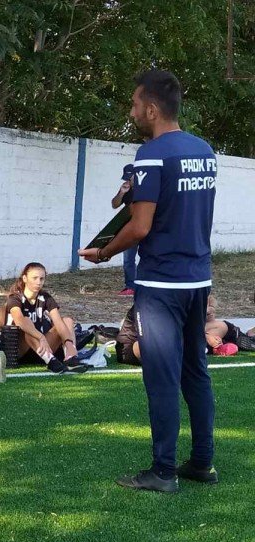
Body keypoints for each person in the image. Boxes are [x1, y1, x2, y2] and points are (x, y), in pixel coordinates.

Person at [79, 69, 218, 492]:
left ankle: (163, 471)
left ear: (152, 109)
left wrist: (103, 253)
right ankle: (202, 463)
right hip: (198, 280)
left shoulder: (151, 154)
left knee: (161, 377)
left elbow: (140, 227)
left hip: (161, 285)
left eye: (135, 104)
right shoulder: (204, 151)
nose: (132, 111)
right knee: (195, 371)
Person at [0, 262, 88, 374]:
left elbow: (58, 322)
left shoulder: (45, 297)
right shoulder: (15, 298)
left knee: (67, 320)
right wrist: (41, 337)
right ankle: (51, 362)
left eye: (41, 279)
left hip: (42, 347)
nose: (38, 282)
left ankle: (70, 357)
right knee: (27, 322)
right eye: (34, 278)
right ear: (25, 278)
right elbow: (20, 321)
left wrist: (69, 342)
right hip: (18, 351)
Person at [112, 164, 137, 296]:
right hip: (129, 228)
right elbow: (114, 204)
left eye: (130, 177)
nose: (128, 180)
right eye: (126, 178)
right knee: (128, 259)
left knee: (148, 257)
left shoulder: (146, 188)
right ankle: (130, 286)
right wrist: (121, 193)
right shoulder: (126, 189)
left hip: (144, 226)